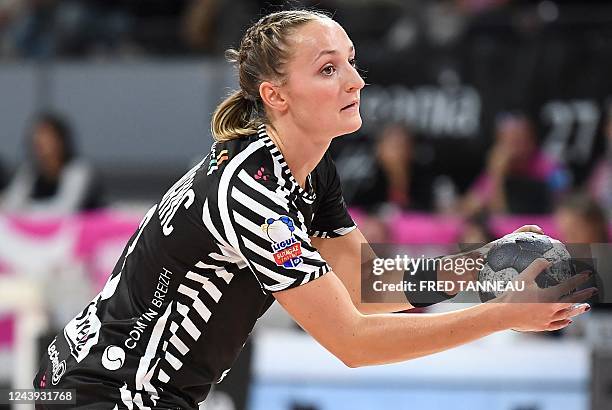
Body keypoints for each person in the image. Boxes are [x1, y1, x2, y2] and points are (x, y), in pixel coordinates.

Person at [33, 10, 594, 409]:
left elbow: (367, 284)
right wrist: (503, 316)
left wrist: (480, 263)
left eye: (351, 61)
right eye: (329, 69)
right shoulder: (249, 192)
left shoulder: (309, 169)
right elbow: (352, 341)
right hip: (106, 393)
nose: (355, 80)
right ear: (276, 95)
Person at [461, 112, 569, 216]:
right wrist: (497, 175)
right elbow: (472, 208)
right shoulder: (496, 169)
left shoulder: (549, 168)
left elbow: (563, 207)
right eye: (509, 141)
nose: (515, 148)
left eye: (520, 140)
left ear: (531, 140)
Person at [1, 112, 103, 215]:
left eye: (46, 136)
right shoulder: (30, 171)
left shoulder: (79, 169)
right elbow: (11, 204)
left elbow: (65, 209)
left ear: (60, 140)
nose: (39, 142)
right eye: (36, 137)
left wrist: (25, 209)